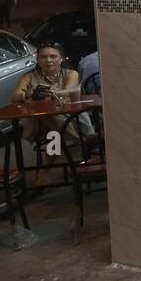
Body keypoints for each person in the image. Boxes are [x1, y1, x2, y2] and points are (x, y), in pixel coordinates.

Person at [11, 42, 82, 183]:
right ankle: (81, 143)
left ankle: (43, 172)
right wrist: (26, 95)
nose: (48, 60)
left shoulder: (70, 73)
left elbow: (69, 91)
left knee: (54, 134)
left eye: (53, 56)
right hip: (37, 122)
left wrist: (53, 94)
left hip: (65, 117)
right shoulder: (28, 77)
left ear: (61, 59)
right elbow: (16, 96)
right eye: (43, 57)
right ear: (37, 59)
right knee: (48, 119)